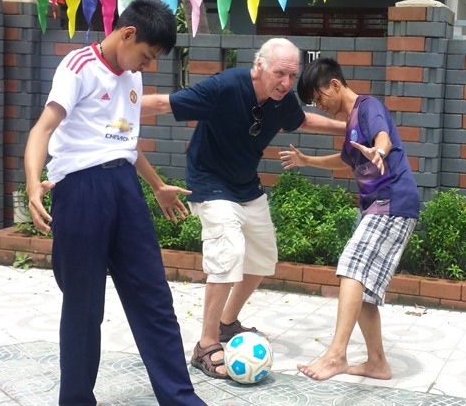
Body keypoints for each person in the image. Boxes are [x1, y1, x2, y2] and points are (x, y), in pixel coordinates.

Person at [24, 0, 207, 406]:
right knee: (84, 307)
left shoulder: (133, 77)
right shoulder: (78, 67)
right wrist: (33, 183)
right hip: (81, 192)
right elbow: (42, 129)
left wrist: (156, 185)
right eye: (146, 56)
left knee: (154, 297)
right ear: (127, 34)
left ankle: (181, 400)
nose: (148, 66)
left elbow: (124, 141)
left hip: (125, 189)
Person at [142, 38, 346, 379]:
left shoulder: (283, 101)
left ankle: (226, 324)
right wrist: (115, 108)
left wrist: (347, 126)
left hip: (245, 185)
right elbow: (165, 103)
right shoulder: (225, 86)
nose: (285, 82)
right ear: (259, 67)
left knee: (263, 258)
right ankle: (206, 344)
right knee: (228, 254)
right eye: (279, 73)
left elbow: (304, 122)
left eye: (291, 76)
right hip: (209, 181)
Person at [278, 57, 420, 382]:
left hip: (392, 200)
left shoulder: (368, 107)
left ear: (335, 85)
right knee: (364, 288)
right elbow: (346, 161)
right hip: (377, 205)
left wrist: (379, 152)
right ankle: (377, 363)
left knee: (352, 266)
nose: (319, 105)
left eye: (319, 98)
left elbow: (382, 137)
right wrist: (305, 160)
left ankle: (336, 355)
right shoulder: (353, 122)